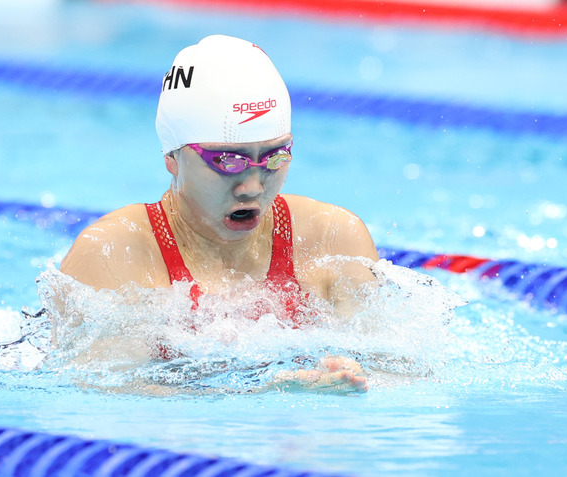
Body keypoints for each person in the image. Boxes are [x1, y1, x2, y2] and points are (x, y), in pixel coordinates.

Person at [58, 35, 379, 393]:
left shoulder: (332, 239)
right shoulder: (113, 254)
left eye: (275, 157)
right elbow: (100, 392)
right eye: (227, 161)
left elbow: (401, 373)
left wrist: (353, 378)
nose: (252, 187)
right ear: (172, 156)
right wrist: (264, 390)